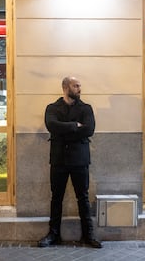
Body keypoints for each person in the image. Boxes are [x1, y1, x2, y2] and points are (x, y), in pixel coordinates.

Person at [38, 76, 102, 248]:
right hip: (59, 159)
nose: (79, 89)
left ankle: (88, 235)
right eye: (76, 86)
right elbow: (51, 125)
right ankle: (53, 235)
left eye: (80, 85)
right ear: (66, 88)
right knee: (56, 198)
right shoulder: (52, 108)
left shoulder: (86, 108)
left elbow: (89, 130)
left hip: (79, 159)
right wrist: (75, 126)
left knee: (83, 198)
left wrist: (63, 129)